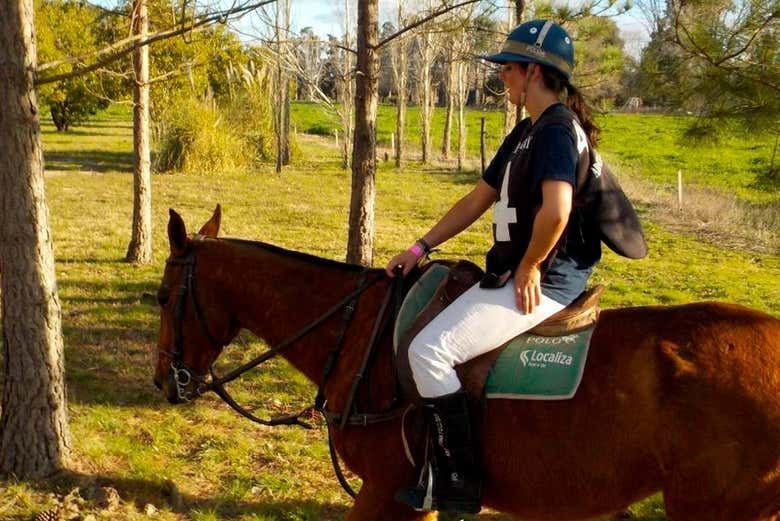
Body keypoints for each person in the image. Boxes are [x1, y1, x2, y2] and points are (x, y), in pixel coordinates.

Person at [386, 20, 604, 514]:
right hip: (516, 274)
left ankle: (458, 478)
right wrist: (419, 248)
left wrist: (529, 266)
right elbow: (476, 200)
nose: (501, 78)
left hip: (543, 284)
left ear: (533, 71)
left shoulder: (554, 130)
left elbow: (558, 210)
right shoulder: (527, 130)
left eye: (507, 69)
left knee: (428, 353)